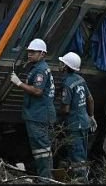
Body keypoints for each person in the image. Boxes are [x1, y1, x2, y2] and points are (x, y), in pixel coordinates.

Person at [9, 38, 56, 182]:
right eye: (29, 52)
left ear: (42, 54)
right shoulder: (38, 67)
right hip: (37, 113)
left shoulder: (41, 69)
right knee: (40, 149)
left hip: (39, 114)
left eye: (33, 52)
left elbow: (37, 91)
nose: (29, 54)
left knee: (42, 149)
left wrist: (18, 83)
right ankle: (44, 177)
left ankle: (45, 180)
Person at [57, 52, 96, 183]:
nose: (60, 65)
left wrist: (57, 114)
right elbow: (90, 99)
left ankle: (81, 181)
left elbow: (66, 108)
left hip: (74, 125)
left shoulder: (67, 84)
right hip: (84, 122)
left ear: (66, 66)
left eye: (62, 63)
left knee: (77, 157)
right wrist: (91, 116)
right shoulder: (81, 79)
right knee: (80, 154)